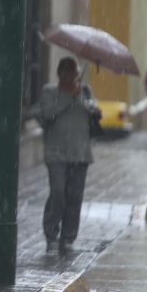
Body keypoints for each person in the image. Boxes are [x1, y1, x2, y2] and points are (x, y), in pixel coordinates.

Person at [40, 57, 101, 255]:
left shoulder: (85, 91)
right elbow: (48, 114)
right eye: (66, 72)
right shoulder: (50, 91)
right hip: (56, 152)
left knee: (74, 197)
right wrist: (70, 98)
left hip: (80, 153)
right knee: (58, 192)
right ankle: (51, 234)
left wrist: (91, 107)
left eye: (74, 72)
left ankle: (68, 237)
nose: (71, 77)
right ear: (59, 74)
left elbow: (92, 110)